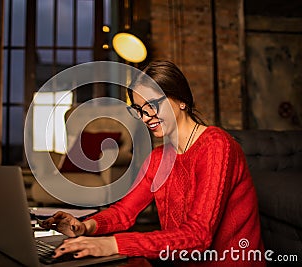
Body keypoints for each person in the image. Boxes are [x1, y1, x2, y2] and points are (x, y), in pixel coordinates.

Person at [41, 61, 266, 266]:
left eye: (152, 105)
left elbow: (198, 236)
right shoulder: (159, 158)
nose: (145, 117)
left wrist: (113, 244)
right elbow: (124, 212)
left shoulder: (217, 145)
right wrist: (84, 226)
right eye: (139, 109)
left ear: (182, 101)